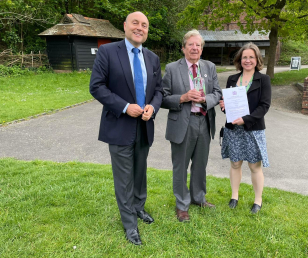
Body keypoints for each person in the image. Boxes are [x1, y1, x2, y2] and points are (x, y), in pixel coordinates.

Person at [89, 12, 163, 245]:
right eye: (135, 23)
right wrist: (123, 106)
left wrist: (153, 106)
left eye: (145, 25)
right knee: (124, 178)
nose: (140, 28)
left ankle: (138, 207)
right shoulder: (108, 52)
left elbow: (159, 91)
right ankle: (130, 224)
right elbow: (97, 86)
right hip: (119, 125)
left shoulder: (152, 58)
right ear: (125, 26)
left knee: (140, 173)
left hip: (144, 126)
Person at [161, 29, 222, 222]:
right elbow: (162, 98)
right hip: (182, 123)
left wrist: (206, 99)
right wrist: (183, 97)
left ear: (202, 49)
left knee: (200, 164)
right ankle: (182, 205)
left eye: (198, 45)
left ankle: (198, 198)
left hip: (204, 120)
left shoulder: (209, 67)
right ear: (183, 48)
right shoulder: (172, 68)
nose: (194, 48)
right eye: (191, 45)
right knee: (180, 166)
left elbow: (218, 93)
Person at [219, 42, 271, 214]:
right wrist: (223, 105)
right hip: (234, 128)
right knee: (235, 163)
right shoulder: (232, 79)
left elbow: (264, 106)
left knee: (254, 166)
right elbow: (228, 103)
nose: (247, 60)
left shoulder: (263, 80)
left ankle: (258, 200)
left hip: (253, 128)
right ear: (239, 60)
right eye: (244, 57)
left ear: (257, 60)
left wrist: (246, 119)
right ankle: (234, 196)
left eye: (251, 57)